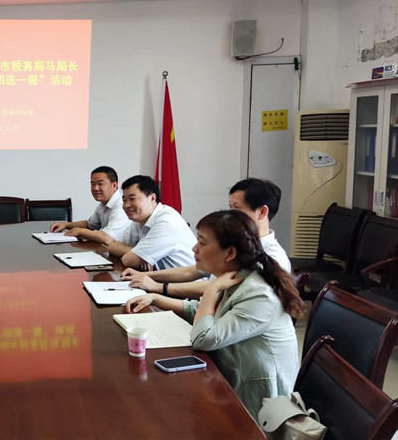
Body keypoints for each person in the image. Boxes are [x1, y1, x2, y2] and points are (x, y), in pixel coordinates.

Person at [123, 210, 301, 416]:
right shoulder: (235, 275)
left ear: (230, 253)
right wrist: (156, 299)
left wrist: (211, 289)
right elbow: (203, 313)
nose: (194, 248)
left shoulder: (258, 294)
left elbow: (204, 338)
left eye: (202, 243)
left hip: (257, 403)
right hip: (226, 377)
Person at [123, 178, 291, 298]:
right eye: (230, 207)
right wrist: (147, 276)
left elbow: (216, 288)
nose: (230, 215)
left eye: (237, 208)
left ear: (262, 212)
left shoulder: (273, 258)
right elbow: (191, 271)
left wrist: (158, 287)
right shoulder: (235, 242)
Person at [102, 175, 195, 270]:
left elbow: (129, 260)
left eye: (132, 199)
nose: (126, 205)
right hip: (162, 277)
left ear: (152, 198)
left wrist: (138, 255)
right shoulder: (140, 220)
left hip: (187, 279)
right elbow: (111, 246)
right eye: (124, 200)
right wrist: (138, 253)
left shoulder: (166, 222)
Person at [49, 166, 130, 242]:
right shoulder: (103, 204)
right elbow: (90, 225)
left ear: (114, 186)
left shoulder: (121, 206)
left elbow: (107, 238)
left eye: (100, 184)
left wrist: (80, 231)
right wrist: (67, 225)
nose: (95, 188)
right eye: (93, 184)